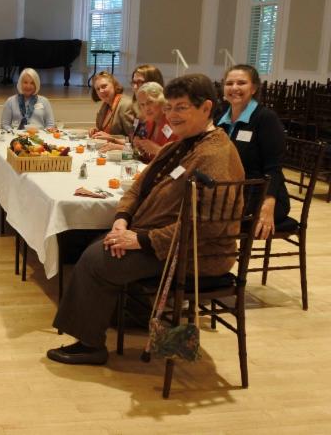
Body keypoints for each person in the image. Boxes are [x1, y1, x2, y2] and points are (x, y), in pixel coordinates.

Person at [47, 73, 245, 366]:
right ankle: (126, 314)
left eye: (181, 108)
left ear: (206, 108)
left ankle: (90, 346)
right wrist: (122, 218)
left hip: (195, 253)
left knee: (96, 260)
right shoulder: (182, 144)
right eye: (170, 107)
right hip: (159, 239)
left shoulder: (216, 154)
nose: (172, 115)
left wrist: (141, 240)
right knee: (92, 245)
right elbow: (139, 185)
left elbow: (207, 226)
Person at [217, 64, 289, 239]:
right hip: (229, 192)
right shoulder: (219, 116)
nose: (234, 87)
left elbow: (274, 167)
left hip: (260, 195)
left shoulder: (265, 118)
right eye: (229, 83)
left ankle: (219, 255)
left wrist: (268, 204)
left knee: (208, 218)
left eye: (241, 83)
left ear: (254, 88)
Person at [99, 81, 176, 160]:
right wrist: (139, 148)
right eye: (142, 104)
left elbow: (178, 158)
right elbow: (142, 154)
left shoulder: (173, 123)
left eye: (150, 102)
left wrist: (157, 150)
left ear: (161, 101)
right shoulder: (149, 123)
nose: (146, 108)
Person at [89, 71, 136, 141]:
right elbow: (104, 130)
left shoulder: (126, 105)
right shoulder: (105, 105)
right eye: (98, 89)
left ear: (114, 85)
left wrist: (111, 137)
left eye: (104, 86)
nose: (101, 91)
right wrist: (96, 131)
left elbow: (134, 138)